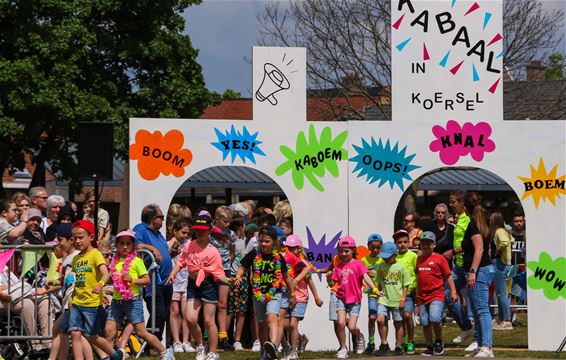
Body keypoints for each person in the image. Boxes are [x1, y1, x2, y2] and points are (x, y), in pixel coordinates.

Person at [105, 230, 175, 360]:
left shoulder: (137, 261)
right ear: (117, 245)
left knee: (141, 332)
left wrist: (132, 280)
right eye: (121, 243)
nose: (125, 246)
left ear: (133, 246)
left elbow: (147, 280)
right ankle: (111, 357)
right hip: (117, 301)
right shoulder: (114, 261)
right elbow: (109, 277)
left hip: (132, 301)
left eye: (128, 243)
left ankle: (165, 351)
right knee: (109, 331)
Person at [167, 215, 231, 360]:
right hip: (192, 284)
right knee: (190, 318)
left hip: (208, 285)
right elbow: (181, 262)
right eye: (197, 230)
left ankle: (213, 352)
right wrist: (173, 273)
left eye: (203, 230)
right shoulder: (189, 245)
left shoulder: (213, 251)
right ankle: (201, 345)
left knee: (209, 321)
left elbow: (218, 273)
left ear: (209, 231)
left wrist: (229, 281)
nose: (200, 233)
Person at [235, 225, 296, 360]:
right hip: (258, 294)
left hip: (275, 293)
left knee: (271, 318)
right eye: (261, 241)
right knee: (261, 324)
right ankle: (264, 350)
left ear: (274, 242)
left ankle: (273, 345)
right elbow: (242, 267)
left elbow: (286, 277)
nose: (263, 244)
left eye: (267, 241)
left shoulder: (279, 257)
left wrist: (292, 294)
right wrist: (239, 276)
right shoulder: (254, 254)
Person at [67, 220, 124, 360]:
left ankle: (115, 355)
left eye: (81, 237)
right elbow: (76, 280)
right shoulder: (76, 259)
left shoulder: (96, 254)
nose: (77, 241)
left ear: (91, 237)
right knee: (74, 333)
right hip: (76, 302)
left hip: (92, 303)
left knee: (92, 336)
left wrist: (100, 284)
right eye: (74, 238)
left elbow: (106, 273)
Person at [332, 236, 378, 359]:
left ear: (353, 250)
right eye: (341, 251)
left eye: (346, 251)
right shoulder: (338, 266)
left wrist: (374, 288)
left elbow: (366, 276)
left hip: (355, 300)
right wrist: (330, 280)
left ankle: (360, 336)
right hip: (341, 298)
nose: (343, 253)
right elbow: (335, 282)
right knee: (341, 323)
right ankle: (343, 348)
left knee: (351, 326)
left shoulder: (358, 264)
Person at [133, 204, 173, 342]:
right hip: (153, 281)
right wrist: (152, 249)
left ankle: (152, 344)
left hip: (166, 280)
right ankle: (151, 344)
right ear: (154, 219)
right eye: (161, 217)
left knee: (163, 313)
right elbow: (135, 245)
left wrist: (170, 254)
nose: (163, 220)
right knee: (158, 312)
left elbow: (161, 254)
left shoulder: (158, 234)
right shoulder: (140, 229)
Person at [461, 193, 495, 358]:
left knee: (482, 310)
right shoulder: (481, 223)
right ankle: (482, 345)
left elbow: (479, 249)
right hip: (481, 270)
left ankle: (486, 347)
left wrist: (473, 272)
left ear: (466, 208)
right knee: (476, 310)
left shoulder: (474, 225)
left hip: (480, 271)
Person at [416, 231, 458, 356]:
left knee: (434, 318)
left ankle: (439, 341)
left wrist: (454, 291)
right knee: (425, 322)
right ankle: (429, 346)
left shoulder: (440, 258)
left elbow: (448, 275)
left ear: (434, 245)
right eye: (423, 244)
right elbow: (418, 276)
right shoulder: (419, 259)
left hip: (436, 294)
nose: (425, 246)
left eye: (428, 243)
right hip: (422, 296)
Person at [282, 234, 323, 360]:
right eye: (287, 247)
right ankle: (301, 339)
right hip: (288, 296)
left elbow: (310, 281)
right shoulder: (285, 260)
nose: (289, 250)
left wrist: (317, 297)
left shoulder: (302, 263)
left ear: (299, 248)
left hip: (301, 297)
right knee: (284, 325)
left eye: (292, 248)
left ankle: (293, 351)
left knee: (293, 325)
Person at [446, 190, 474, 346]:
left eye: (453, 202)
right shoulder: (459, 219)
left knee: (475, 303)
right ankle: (466, 327)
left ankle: (478, 340)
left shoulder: (469, 220)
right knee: (447, 294)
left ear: (463, 203)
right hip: (458, 266)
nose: (451, 204)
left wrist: (452, 252)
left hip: (469, 266)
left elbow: (470, 243)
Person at [374, 241, 411, 356]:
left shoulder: (400, 267)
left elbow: (406, 284)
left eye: (388, 257)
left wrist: (403, 299)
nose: (385, 259)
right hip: (384, 299)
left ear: (395, 255)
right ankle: (384, 344)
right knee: (380, 320)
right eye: (384, 257)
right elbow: (378, 281)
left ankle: (398, 346)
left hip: (397, 299)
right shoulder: (381, 265)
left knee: (398, 323)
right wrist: (377, 294)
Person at [211, 206, 236, 351]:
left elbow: (232, 252)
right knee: (209, 303)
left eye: (229, 222)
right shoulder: (209, 233)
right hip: (210, 271)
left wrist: (226, 263)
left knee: (223, 304)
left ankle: (223, 337)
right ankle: (208, 336)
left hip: (225, 270)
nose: (227, 224)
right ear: (217, 219)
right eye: (225, 221)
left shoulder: (231, 234)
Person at [168, 219, 194, 353]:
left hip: (186, 281)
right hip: (174, 282)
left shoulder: (189, 244)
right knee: (174, 311)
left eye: (187, 233)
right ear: (174, 231)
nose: (185, 236)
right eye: (182, 232)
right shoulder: (169, 243)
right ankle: (176, 341)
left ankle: (186, 341)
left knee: (186, 312)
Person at [393, 229, 417, 355]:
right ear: (395, 244)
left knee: (407, 315)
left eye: (404, 242)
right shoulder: (393, 257)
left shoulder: (413, 256)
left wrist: (415, 288)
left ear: (409, 243)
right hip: (394, 294)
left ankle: (411, 341)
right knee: (399, 319)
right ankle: (401, 341)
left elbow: (416, 272)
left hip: (408, 293)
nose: (402, 244)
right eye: (399, 242)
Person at [489, 212, 515, 331]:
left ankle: (505, 321)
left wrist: (498, 251)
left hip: (500, 264)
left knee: (501, 294)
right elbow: (512, 240)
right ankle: (503, 319)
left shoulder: (499, 231)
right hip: (507, 264)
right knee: (504, 293)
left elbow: (505, 243)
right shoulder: (505, 231)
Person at [227, 218, 248, 351]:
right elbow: (232, 256)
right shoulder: (235, 241)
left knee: (239, 311)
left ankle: (235, 340)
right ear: (241, 226)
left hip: (239, 278)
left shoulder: (245, 241)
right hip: (233, 278)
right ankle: (230, 339)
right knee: (233, 311)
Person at [361, 233, 383, 354]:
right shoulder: (364, 260)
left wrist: (377, 275)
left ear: (381, 247)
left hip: (384, 295)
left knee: (382, 319)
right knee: (372, 317)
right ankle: (371, 342)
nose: (375, 250)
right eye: (373, 247)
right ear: (368, 246)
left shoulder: (384, 259)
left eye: (378, 247)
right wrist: (366, 285)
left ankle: (384, 343)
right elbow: (361, 278)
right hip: (372, 295)